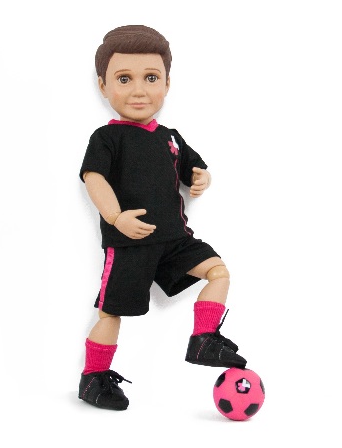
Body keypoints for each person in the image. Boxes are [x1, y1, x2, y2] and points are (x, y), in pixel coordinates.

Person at [78, 24, 247, 411]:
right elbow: (94, 178)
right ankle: (93, 377)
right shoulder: (107, 138)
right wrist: (116, 217)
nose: (138, 90)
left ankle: (204, 338)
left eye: (151, 78)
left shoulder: (170, 136)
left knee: (218, 271)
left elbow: (194, 169)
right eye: (124, 79)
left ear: (167, 83)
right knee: (111, 311)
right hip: (131, 242)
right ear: (103, 85)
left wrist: (201, 177)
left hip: (175, 240)